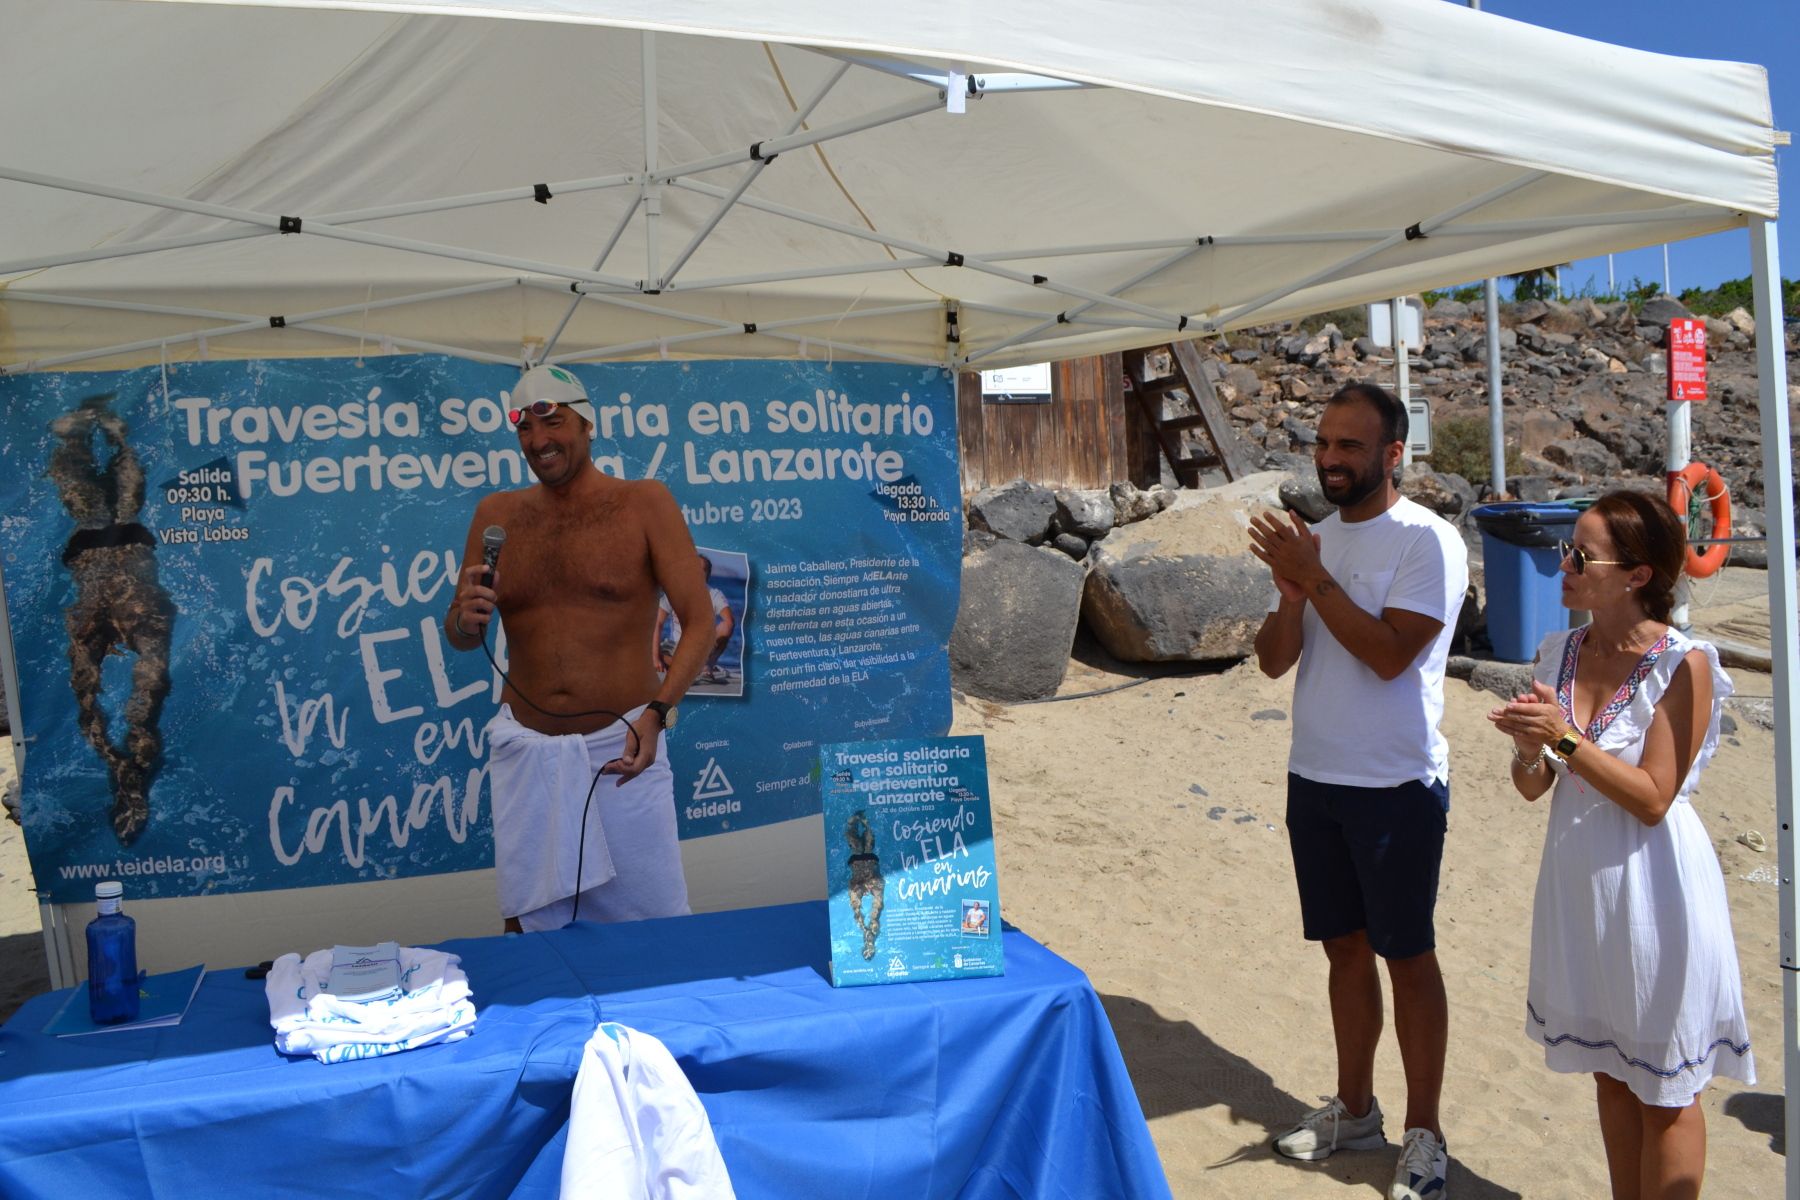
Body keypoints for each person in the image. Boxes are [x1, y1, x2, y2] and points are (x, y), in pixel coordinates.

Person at [1488, 491, 1752, 1199]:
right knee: (1610, 1072)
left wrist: (1563, 738)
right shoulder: (1560, 651)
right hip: (1582, 881)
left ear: (1637, 575)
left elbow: (1653, 798)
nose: (1564, 566)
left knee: (1667, 1091)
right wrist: (1528, 749)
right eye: (1566, 550)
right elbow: (1535, 787)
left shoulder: (1683, 663)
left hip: (1655, 886)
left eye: (1581, 555)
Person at [1248, 382, 1468, 1200]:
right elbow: (1275, 661)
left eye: (1349, 445)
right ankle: (1356, 1109)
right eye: (1323, 443)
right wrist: (1291, 594)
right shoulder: (1320, 542)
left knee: (1406, 956)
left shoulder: (1428, 541)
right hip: (1316, 777)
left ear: (1392, 454)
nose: (1331, 459)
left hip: (1396, 784)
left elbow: (1387, 656)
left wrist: (1315, 578)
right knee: (1343, 948)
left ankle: (1425, 1133)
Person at [446, 365, 718, 932]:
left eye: (553, 422)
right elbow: (463, 635)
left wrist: (657, 714)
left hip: (624, 750)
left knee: (655, 926)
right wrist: (464, 619)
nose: (538, 440)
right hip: (528, 754)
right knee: (531, 927)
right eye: (524, 429)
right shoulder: (496, 517)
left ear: (587, 425)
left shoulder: (643, 503)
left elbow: (699, 622)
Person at [656, 555, 736, 685]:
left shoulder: (714, 594)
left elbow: (729, 621)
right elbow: (658, 623)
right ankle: (696, 668)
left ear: (707, 574)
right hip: (676, 649)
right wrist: (655, 658)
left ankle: (705, 664)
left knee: (727, 625)